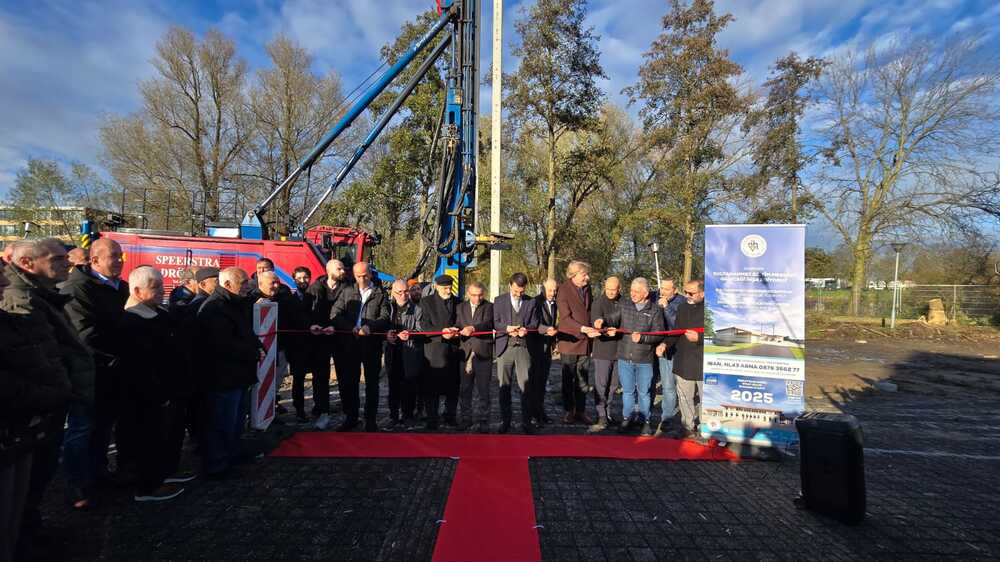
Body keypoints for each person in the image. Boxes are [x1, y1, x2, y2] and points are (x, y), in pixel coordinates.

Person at [1, 239, 94, 531]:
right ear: (27, 264)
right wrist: (58, 393)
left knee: (35, 481)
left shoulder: (41, 294)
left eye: (66, 258)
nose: (67, 263)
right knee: (26, 486)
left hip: (51, 403)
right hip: (38, 409)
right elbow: (33, 361)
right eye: (57, 259)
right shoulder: (22, 298)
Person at [0, 265, 72, 562]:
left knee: (15, 510)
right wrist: (50, 394)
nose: (4, 280)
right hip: (13, 423)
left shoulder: (10, 318)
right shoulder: (20, 306)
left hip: (20, 427)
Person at [116, 266, 194, 502]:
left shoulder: (157, 313)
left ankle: (160, 475)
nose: (162, 291)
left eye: (161, 286)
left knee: (163, 435)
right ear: (137, 291)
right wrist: (158, 391)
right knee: (146, 438)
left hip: (167, 387)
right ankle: (147, 486)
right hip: (148, 393)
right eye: (155, 287)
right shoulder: (133, 320)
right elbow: (141, 364)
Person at [60, 238, 130, 487]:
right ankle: (78, 485)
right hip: (89, 372)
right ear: (95, 260)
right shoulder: (78, 289)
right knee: (82, 429)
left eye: (120, 255)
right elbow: (84, 335)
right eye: (114, 256)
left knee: (103, 427)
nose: (120, 261)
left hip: (113, 372)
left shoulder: (121, 287)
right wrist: (118, 352)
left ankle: (98, 474)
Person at [197, 267, 262, 479]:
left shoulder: (234, 303)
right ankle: (217, 464)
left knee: (234, 421)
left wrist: (257, 345)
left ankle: (232, 455)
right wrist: (252, 351)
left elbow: (245, 333)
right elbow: (223, 344)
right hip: (223, 377)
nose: (247, 287)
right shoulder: (215, 308)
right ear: (227, 285)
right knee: (221, 422)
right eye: (243, 283)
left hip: (238, 374)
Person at [330, 262, 390, 432]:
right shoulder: (347, 292)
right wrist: (351, 328)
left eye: (365, 275)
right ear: (354, 276)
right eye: (358, 276)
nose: (362, 279)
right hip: (350, 343)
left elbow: (385, 317)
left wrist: (370, 327)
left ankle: (370, 420)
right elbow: (335, 314)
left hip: (371, 344)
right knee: (350, 382)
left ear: (370, 274)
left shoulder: (380, 294)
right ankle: (351, 417)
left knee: (372, 384)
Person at [251, 270, 307, 418]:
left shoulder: (285, 298)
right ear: (261, 283)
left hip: (281, 347)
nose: (276, 286)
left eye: (278, 283)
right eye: (272, 283)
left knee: (274, 382)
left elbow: (296, 319)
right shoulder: (251, 300)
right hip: (259, 351)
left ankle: (270, 412)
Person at [615, 278, 665, 436]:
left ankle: (645, 421)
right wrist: (602, 321)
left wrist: (643, 338)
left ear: (646, 293)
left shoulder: (655, 310)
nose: (633, 294)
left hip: (644, 359)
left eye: (636, 292)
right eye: (631, 290)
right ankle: (627, 418)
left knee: (644, 393)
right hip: (625, 357)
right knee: (628, 391)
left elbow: (659, 334)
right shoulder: (624, 305)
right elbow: (613, 318)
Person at [493, 273, 539, 435]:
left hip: (524, 349)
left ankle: (526, 422)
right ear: (509, 285)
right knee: (504, 387)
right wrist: (506, 328)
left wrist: (527, 330)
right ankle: (505, 421)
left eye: (521, 291)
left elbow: (535, 322)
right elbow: (495, 322)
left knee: (525, 387)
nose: (518, 294)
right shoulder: (499, 301)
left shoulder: (531, 301)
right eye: (515, 291)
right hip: (505, 348)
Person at [305, 259, 348, 430]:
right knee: (320, 377)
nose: (343, 271)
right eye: (339, 268)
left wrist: (336, 326)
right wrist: (311, 325)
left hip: (340, 337)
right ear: (329, 270)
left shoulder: (347, 288)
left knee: (344, 375)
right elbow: (305, 311)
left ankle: (347, 411)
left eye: (343, 268)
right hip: (319, 338)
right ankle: (322, 410)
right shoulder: (315, 288)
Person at [556, 260, 598, 425]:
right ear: (573, 275)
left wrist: (596, 324)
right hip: (570, 341)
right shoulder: (563, 290)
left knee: (583, 379)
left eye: (587, 274)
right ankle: (568, 411)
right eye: (584, 274)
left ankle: (581, 410)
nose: (587, 277)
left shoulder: (588, 288)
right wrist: (582, 328)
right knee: (569, 378)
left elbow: (590, 310)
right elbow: (565, 318)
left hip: (586, 341)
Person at [664, 280, 705, 439]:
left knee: (705, 399)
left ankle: (705, 428)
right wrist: (665, 344)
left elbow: (716, 334)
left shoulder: (710, 309)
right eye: (685, 292)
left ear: (702, 293)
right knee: (684, 397)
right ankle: (688, 426)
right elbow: (676, 331)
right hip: (683, 360)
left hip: (703, 362)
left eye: (691, 293)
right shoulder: (682, 307)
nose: (687, 295)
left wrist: (700, 338)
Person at [420, 275, 461, 430]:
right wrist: (441, 332)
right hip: (434, 350)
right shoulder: (427, 302)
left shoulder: (458, 301)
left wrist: (456, 330)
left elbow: (461, 320)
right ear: (436, 287)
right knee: (432, 387)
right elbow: (424, 325)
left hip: (453, 349)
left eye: (450, 288)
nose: (448, 291)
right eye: (445, 288)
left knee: (453, 386)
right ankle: (432, 418)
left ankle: (450, 416)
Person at [384, 280, 425, 428]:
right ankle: (393, 416)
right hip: (392, 351)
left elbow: (422, 330)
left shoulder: (417, 309)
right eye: (399, 292)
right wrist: (387, 335)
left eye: (406, 291)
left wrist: (410, 334)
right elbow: (381, 325)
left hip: (409, 351)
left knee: (409, 386)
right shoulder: (387, 308)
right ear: (393, 293)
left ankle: (408, 415)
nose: (403, 295)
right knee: (393, 386)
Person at [456, 281, 493, 432]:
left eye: (480, 295)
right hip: (465, 352)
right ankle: (466, 418)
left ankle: (484, 421)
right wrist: (454, 330)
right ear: (468, 294)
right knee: (465, 389)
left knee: (484, 390)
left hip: (483, 352)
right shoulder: (460, 307)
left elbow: (489, 323)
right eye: (474, 295)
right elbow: (457, 324)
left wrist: (473, 328)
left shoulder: (489, 307)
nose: (477, 298)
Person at [589, 276, 622, 432]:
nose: (610, 292)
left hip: (619, 351)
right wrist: (600, 324)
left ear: (619, 289)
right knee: (601, 385)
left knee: (613, 385)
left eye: (613, 290)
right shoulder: (598, 303)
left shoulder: (624, 302)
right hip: (603, 350)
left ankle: (608, 413)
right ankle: (601, 414)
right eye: (608, 289)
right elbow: (596, 321)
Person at [655, 278, 683, 434]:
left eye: (666, 289)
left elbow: (676, 326)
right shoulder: (656, 299)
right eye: (661, 288)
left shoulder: (682, 302)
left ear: (675, 290)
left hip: (681, 350)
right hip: (664, 349)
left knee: (684, 388)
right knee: (668, 386)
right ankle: (667, 418)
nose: (662, 292)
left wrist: (667, 308)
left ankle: (688, 420)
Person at [528, 279, 558, 426]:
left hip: (547, 348)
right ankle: (533, 414)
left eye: (555, 290)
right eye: (550, 290)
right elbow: (533, 323)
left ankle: (540, 412)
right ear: (543, 289)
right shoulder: (535, 302)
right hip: (535, 347)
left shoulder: (554, 304)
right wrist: (546, 330)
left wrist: (553, 341)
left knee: (542, 382)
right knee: (534, 383)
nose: (553, 293)